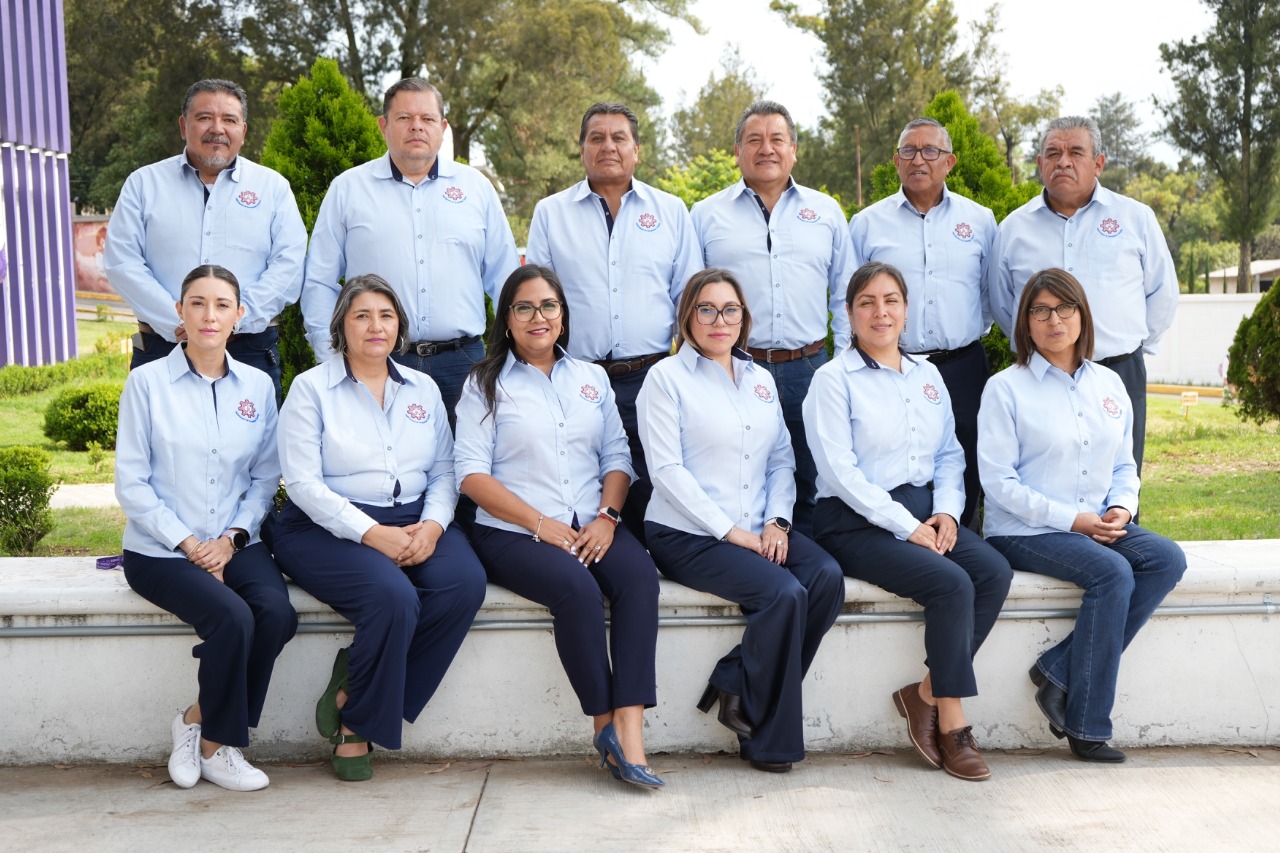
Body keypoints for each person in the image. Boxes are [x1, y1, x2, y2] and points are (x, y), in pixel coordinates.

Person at [455, 264, 663, 789]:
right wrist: (540, 524)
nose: (538, 316)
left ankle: (631, 729)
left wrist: (608, 518)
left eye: (548, 305)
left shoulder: (591, 378)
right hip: (512, 532)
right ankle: (603, 725)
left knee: (639, 579)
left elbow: (617, 458)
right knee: (577, 590)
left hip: (591, 521)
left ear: (563, 316)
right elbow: (471, 476)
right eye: (524, 307)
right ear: (507, 319)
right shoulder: (484, 383)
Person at [272, 274, 486, 781]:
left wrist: (433, 526)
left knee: (463, 584)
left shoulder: (423, 388)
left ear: (400, 327)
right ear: (341, 327)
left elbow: (445, 470)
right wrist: (371, 533)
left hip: (414, 517)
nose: (375, 326)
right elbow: (302, 484)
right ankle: (356, 728)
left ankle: (353, 689)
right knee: (393, 598)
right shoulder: (311, 389)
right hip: (324, 526)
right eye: (362, 315)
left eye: (386, 316)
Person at [804, 261, 1011, 782]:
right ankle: (954, 722)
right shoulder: (832, 380)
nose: (881, 312)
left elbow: (949, 454)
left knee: (993, 572)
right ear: (849, 313)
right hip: (854, 521)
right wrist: (907, 525)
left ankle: (924, 694)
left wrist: (947, 512)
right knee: (951, 584)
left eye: (891, 300)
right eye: (867, 302)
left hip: (924, 512)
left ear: (906, 308)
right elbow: (841, 473)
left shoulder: (927, 376)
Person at [638, 267, 845, 774]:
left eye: (730, 310)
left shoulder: (759, 380)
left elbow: (780, 460)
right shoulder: (665, 379)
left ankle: (736, 679)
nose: (719, 321)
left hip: (757, 524)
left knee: (824, 577)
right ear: (687, 317)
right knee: (783, 593)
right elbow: (666, 471)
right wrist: (731, 533)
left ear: (744, 318)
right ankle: (769, 741)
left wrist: (777, 522)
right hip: (688, 533)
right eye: (706, 309)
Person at [979, 268, 1187, 763]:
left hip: (1095, 522)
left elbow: (1124, 465)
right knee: (1112, 573)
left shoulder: (1109, 384)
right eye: (1040, 310)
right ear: (1025, 323)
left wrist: (1121, 508)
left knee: (1166, 559)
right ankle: (1087, 725)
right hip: (1023, 529)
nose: (1054, 320)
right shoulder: (1006, 389)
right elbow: (999, 483)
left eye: (1064, 308)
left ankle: (1058, 670)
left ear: (1082, 315)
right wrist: (1073, 521)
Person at [115, 264, 296, 792]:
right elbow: (131, 483)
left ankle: (199, 723)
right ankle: (221, 745)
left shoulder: (257, 385)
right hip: (161, 550)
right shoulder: (148, 383)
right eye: (197, 303)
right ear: (180, 312)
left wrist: (231, 539)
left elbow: (265, 477)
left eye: (221, 305)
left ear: (240, 315)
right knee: (233, 618)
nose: (209, 315)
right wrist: (194, 547)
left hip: (235, 541)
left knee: (277, 614)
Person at [525, 102, 702, 544]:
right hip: (576, 376)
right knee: (584, 482)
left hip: (651, 376)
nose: (608, 146)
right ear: (582, 149)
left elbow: (688, 300)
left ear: (636, 150)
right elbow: (537, 299)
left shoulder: (671, 211)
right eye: (597, 138)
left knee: (654, 487)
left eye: (619, 138)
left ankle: (654, 567)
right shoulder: (551, 212)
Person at [301, 78, 519, 423]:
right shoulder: (348, 189)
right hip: (378, 360)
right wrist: (332, 357)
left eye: (427, 119)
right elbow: (319, 280)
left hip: (464, 364)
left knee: (471, 456)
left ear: (442, 128)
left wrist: (515, 354)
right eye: (404, 118)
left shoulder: (476, 189)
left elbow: (507, 280)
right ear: (383, 125)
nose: (417, 126)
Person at [690, 101, 856, 536]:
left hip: (809, 369)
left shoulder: (826, 211)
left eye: (777, 139)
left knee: (812, 479)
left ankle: (810, 564)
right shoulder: (706, 214)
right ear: (737, 151)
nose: (767, 148)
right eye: (754, 140)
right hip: (733, 368)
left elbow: (846, 293)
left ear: (794, 150)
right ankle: (748, 561)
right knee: (737, 475)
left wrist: (843, 363)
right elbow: (691, 299)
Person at [987, 116, 1179, 473]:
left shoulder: (1135, 218)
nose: (1063, 162)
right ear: (1039, 164)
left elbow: (1162, 293)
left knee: (1119, 479)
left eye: (1076, 152)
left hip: (1118, 370)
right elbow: (1003, 303)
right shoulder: (1013, 228)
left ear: (1099, 163)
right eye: (1053, 153)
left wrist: (1129, 346)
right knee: (1045, 477)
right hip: (1040, 378)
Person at [105, 79, 307, 400]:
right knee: (159, 435)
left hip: (249, 350)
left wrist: (232, 320)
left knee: (252, 435)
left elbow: (290, 265)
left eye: (229, 119)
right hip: (163, 347)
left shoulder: (272, 188)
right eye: (204, 118)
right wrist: (180, 319)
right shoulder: (143, 184)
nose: (217, 129)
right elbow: (121, 262)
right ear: (183, 126)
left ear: (244, 130)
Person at [848, 118, 997, 527]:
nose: (919, 159)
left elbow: (990, 294)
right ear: (896, 161)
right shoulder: (867, 223)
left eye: (930, 150)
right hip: (891, 366)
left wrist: (964, 330)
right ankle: (900, 540)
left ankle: (960, 538)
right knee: (894, 459)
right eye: (909, 151)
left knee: (964, 460)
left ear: (949, 162)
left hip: (962, 365)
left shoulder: (980, 220)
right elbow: (851, 296)